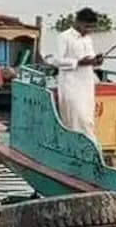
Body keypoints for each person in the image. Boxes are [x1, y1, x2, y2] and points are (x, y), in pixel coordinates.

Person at [44, 7, 104, 141]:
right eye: (86, 26)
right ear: (77, 22)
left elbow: (91, 59)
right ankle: (85, 147)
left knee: (88, 119)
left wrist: (97, 61)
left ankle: (90, 148)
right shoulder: (64, 37)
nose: (88, 30)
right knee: (77, 117)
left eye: (91, 28)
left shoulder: (88, 39)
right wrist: (77, 62)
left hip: (87, 84)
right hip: (70, 84)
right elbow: (56, 60)